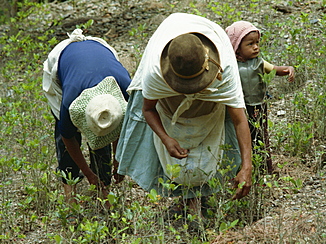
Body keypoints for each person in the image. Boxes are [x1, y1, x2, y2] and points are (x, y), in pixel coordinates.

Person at [115, 13, 253, 218]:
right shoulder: (154, 72)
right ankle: (186, 199)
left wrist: (246, 167)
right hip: (164, 87)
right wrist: (166, 139)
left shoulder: (224, 68)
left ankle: (202, 196)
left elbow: (239, 119)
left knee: (216, 135)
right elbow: (148, 109)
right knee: (173, 144)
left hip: (211, 78)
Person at [42, 29, 131, 207]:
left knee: (104, 126)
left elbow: (121, 125)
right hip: (60, 62)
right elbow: (68, 138)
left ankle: (103, 186)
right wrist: (88, 174)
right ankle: (70, 189)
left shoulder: (126, 87)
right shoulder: (68, 102)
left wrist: (118, 160)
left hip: (100, 51)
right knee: (64, 137)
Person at [226, 21, 295, 174]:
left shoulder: (259, 63)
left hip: (258, 106)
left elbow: (275, 70)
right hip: (239, 108)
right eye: (250, 44)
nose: (256, 47)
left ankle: (265, 169)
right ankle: (240, 168)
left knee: (261, 137)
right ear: (236, 46)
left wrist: (288, 69)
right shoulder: (231, 66)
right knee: (239, 137)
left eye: (257, 43)